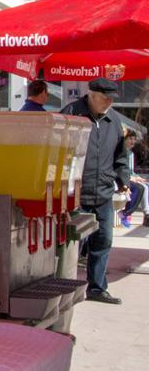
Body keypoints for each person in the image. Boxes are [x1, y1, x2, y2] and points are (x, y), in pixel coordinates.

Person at [61, 77, 129, 305]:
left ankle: (97, 288)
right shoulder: (72, 114)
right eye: (105, 97)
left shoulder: (114, 120)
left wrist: (123, 179)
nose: (109, 102)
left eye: (112, 99)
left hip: (104, 192)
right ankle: (65, 286)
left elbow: (121, 156)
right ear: (91, 94)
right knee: (73, 244)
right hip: (76, 193)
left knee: (103, 241)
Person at [119, 129, 148, 229]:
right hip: (122, 179)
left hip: (129, 177)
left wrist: (137, 177)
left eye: (134, 139)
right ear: (125, 139)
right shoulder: (121, 152)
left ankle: (146, 214)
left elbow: (131, 171)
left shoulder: (131, 153)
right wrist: (132, 178)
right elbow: (120, 170)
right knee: (141, 188)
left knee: (146, 185)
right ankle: (127, 213)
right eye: (130, 139)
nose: (133, 141)